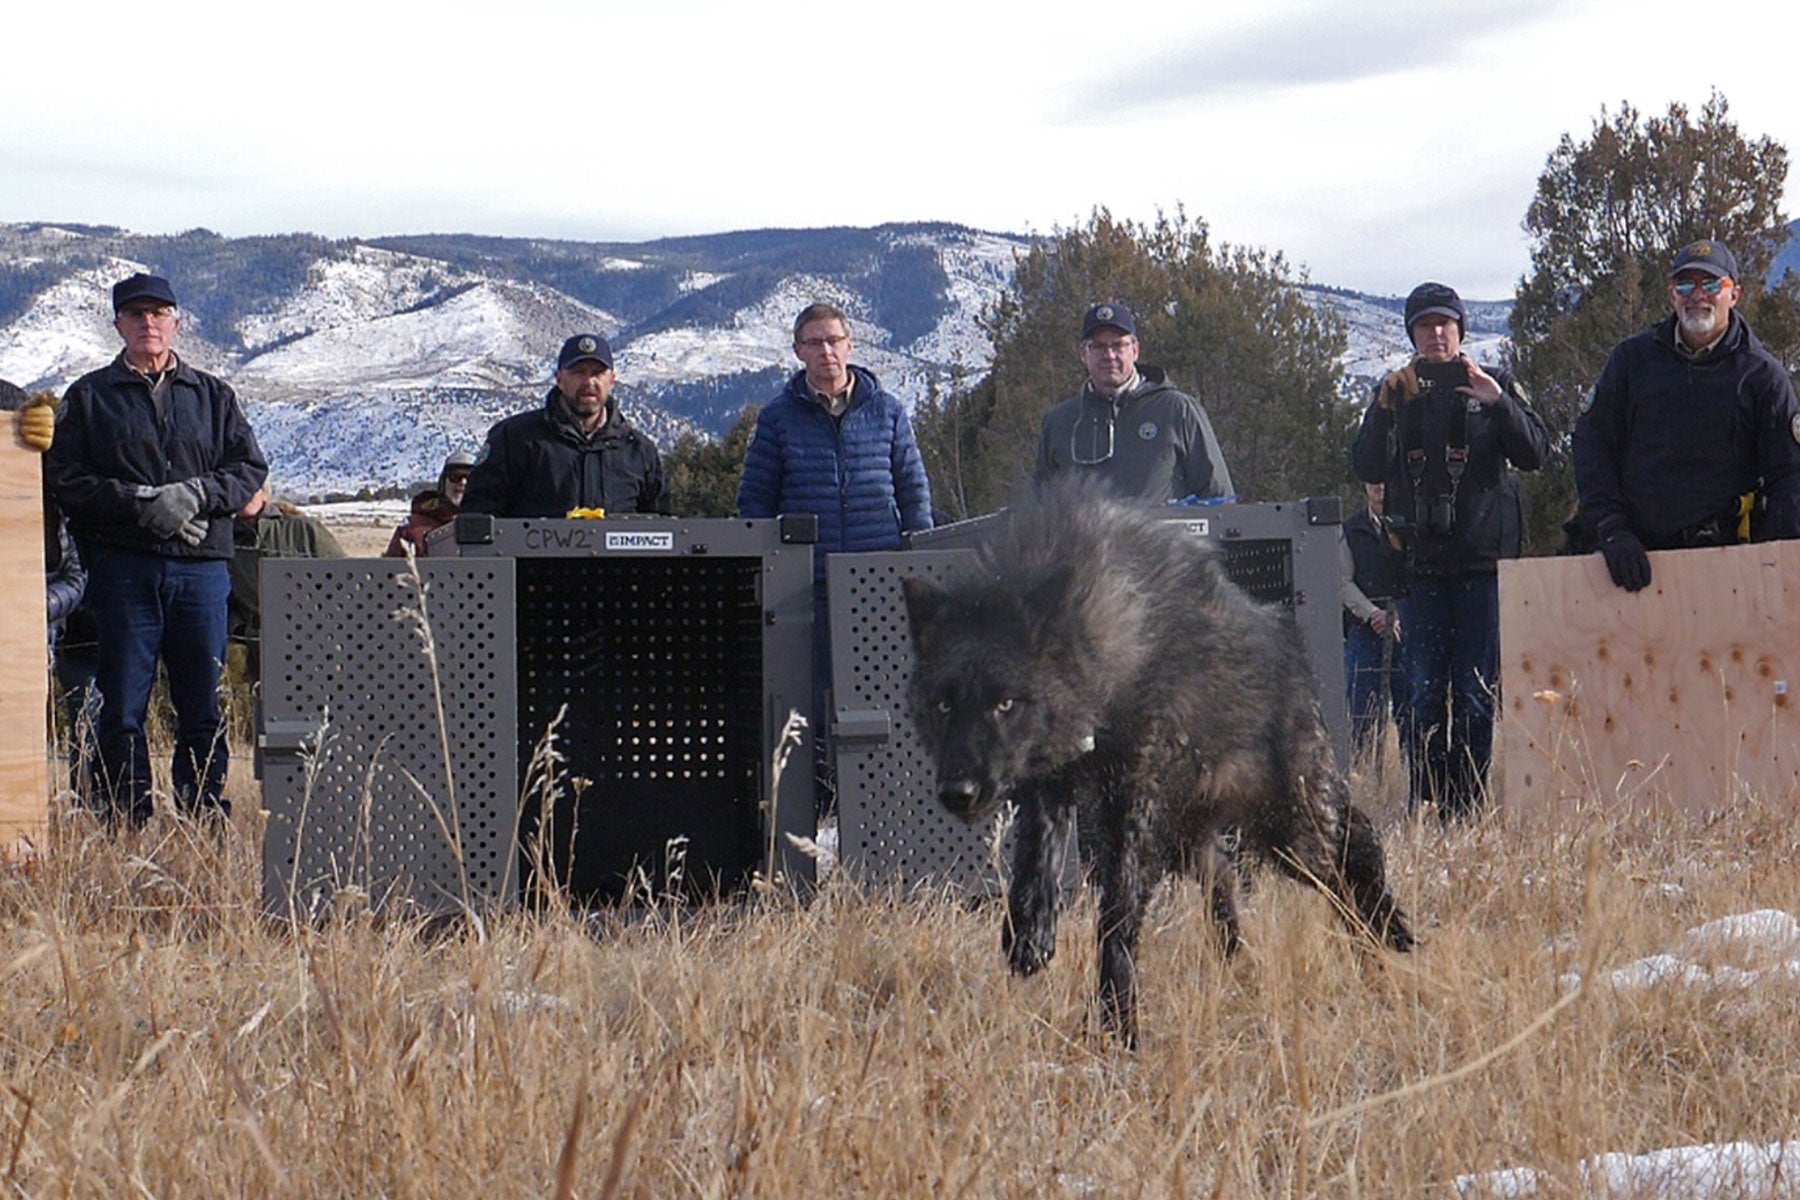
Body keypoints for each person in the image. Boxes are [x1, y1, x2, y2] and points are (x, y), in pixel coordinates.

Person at [44, 272, 268, 827]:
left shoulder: (214, 396)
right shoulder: (90, 397)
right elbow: (64, 477)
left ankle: (204, 816)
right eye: (136, 314)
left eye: (159, 312)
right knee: (121, 703)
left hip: (201, 572)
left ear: (176, 321)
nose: (148, 323)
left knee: (201, 705)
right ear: (118, 324)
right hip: (124, 569)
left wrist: (194, 495)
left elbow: (249, 471)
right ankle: (126, 816)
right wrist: (137, 501)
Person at [1351, 281, 1549, 820]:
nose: (1435, 334)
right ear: (1412, 334)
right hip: (1419, 567)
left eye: (1445, 324)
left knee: (1475, 692)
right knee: (1421, 691)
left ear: (1461, 331)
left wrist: (1499, 403)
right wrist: (1382, 411)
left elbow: (1536, 452)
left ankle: (1468, 805)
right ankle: (1426, 800)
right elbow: (1366, 466)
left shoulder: (1494, 384)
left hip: (1483, 566)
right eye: (1424, 326)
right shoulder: (1395, 392)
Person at [736, 301, 934, 808]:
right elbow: (756, 504)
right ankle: (822, 805)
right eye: (813, 343)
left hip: (880, 583)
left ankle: (888, 800)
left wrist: (919, 565)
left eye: (834, 340)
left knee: (887, 695)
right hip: (812, 587)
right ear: (798, 352)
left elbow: (913, 492)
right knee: (817, 700)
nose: (825, 351)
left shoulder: (887, 411)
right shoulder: (778, 420)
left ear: (850, 345)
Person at [1573, 240, 1800, 592]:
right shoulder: (1631, 362)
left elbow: (1789, 478)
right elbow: (1592, 447)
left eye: (1711, 285)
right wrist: (1612, 531)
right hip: (1633, 566)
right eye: (1685, 285)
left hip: (1731, 570)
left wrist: (1770, 564)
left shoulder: (1763, 376)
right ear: (1671, 294)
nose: (1697, 295)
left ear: (1734, 294)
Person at [1035, 301, 1233, 502]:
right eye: (1098, 347)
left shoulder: (1177, 410)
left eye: (1118, 345)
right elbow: (1039, 505)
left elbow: (1219, 498)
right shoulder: (1059, 423)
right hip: (1083, 534)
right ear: (1083, 355)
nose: (1109, 355)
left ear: (1135, 350)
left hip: (1160, 534)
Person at [462, 334, 669, 518]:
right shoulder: (514, 438)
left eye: (597, 373)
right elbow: (478, 513)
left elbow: (663, 529)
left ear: (612, 380)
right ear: (559, 379)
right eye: (579, 372)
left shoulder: (640, 451)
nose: (589, 381)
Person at [230, 483, 346, 684]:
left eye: (252, 487)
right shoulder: (222, 540)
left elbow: (346, 583)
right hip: (256, 654)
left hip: (316, 650)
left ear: (265, 492)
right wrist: (243, 629)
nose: (244, 493)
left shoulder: (303, 530)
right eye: (237, 486)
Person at [1340, 482, 1407, 758]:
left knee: (1412, 713)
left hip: (1407, 628)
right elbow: (1342, 582)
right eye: (1372, 481)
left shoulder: (1408, 523)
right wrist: (1374, 615)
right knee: (1361, 716)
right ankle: (1364, 781)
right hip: (1365, 630)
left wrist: (1399, 615)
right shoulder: (1349, 528)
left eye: (1384, 480)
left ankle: (1413, 781)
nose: (1380, 487)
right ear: (1364, 486)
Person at [385, 449, 474, 557]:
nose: (463, 483)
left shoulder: (494, 524)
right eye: (455, 477)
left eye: (470, 478)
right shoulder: (412, 528)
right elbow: (388, 570)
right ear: (443, 483)